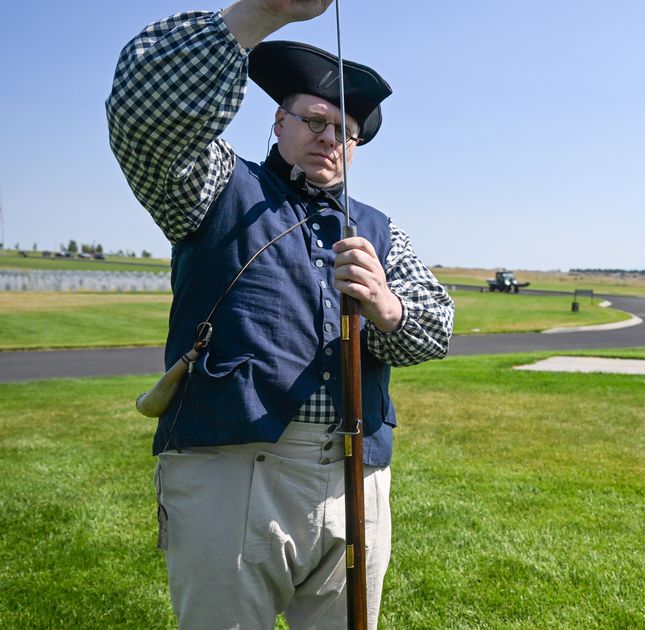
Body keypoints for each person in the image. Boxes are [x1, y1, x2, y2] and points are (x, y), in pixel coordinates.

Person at [106, 1, 454, 628]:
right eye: (315, 120)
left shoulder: (378, 228)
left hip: (357, 474)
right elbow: (145, 115)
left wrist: (385, 305)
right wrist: (263, 11)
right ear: (278, 121)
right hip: (233, 472)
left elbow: (437, 328)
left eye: (346, 132)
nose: (329, 137)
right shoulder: (216, 187)